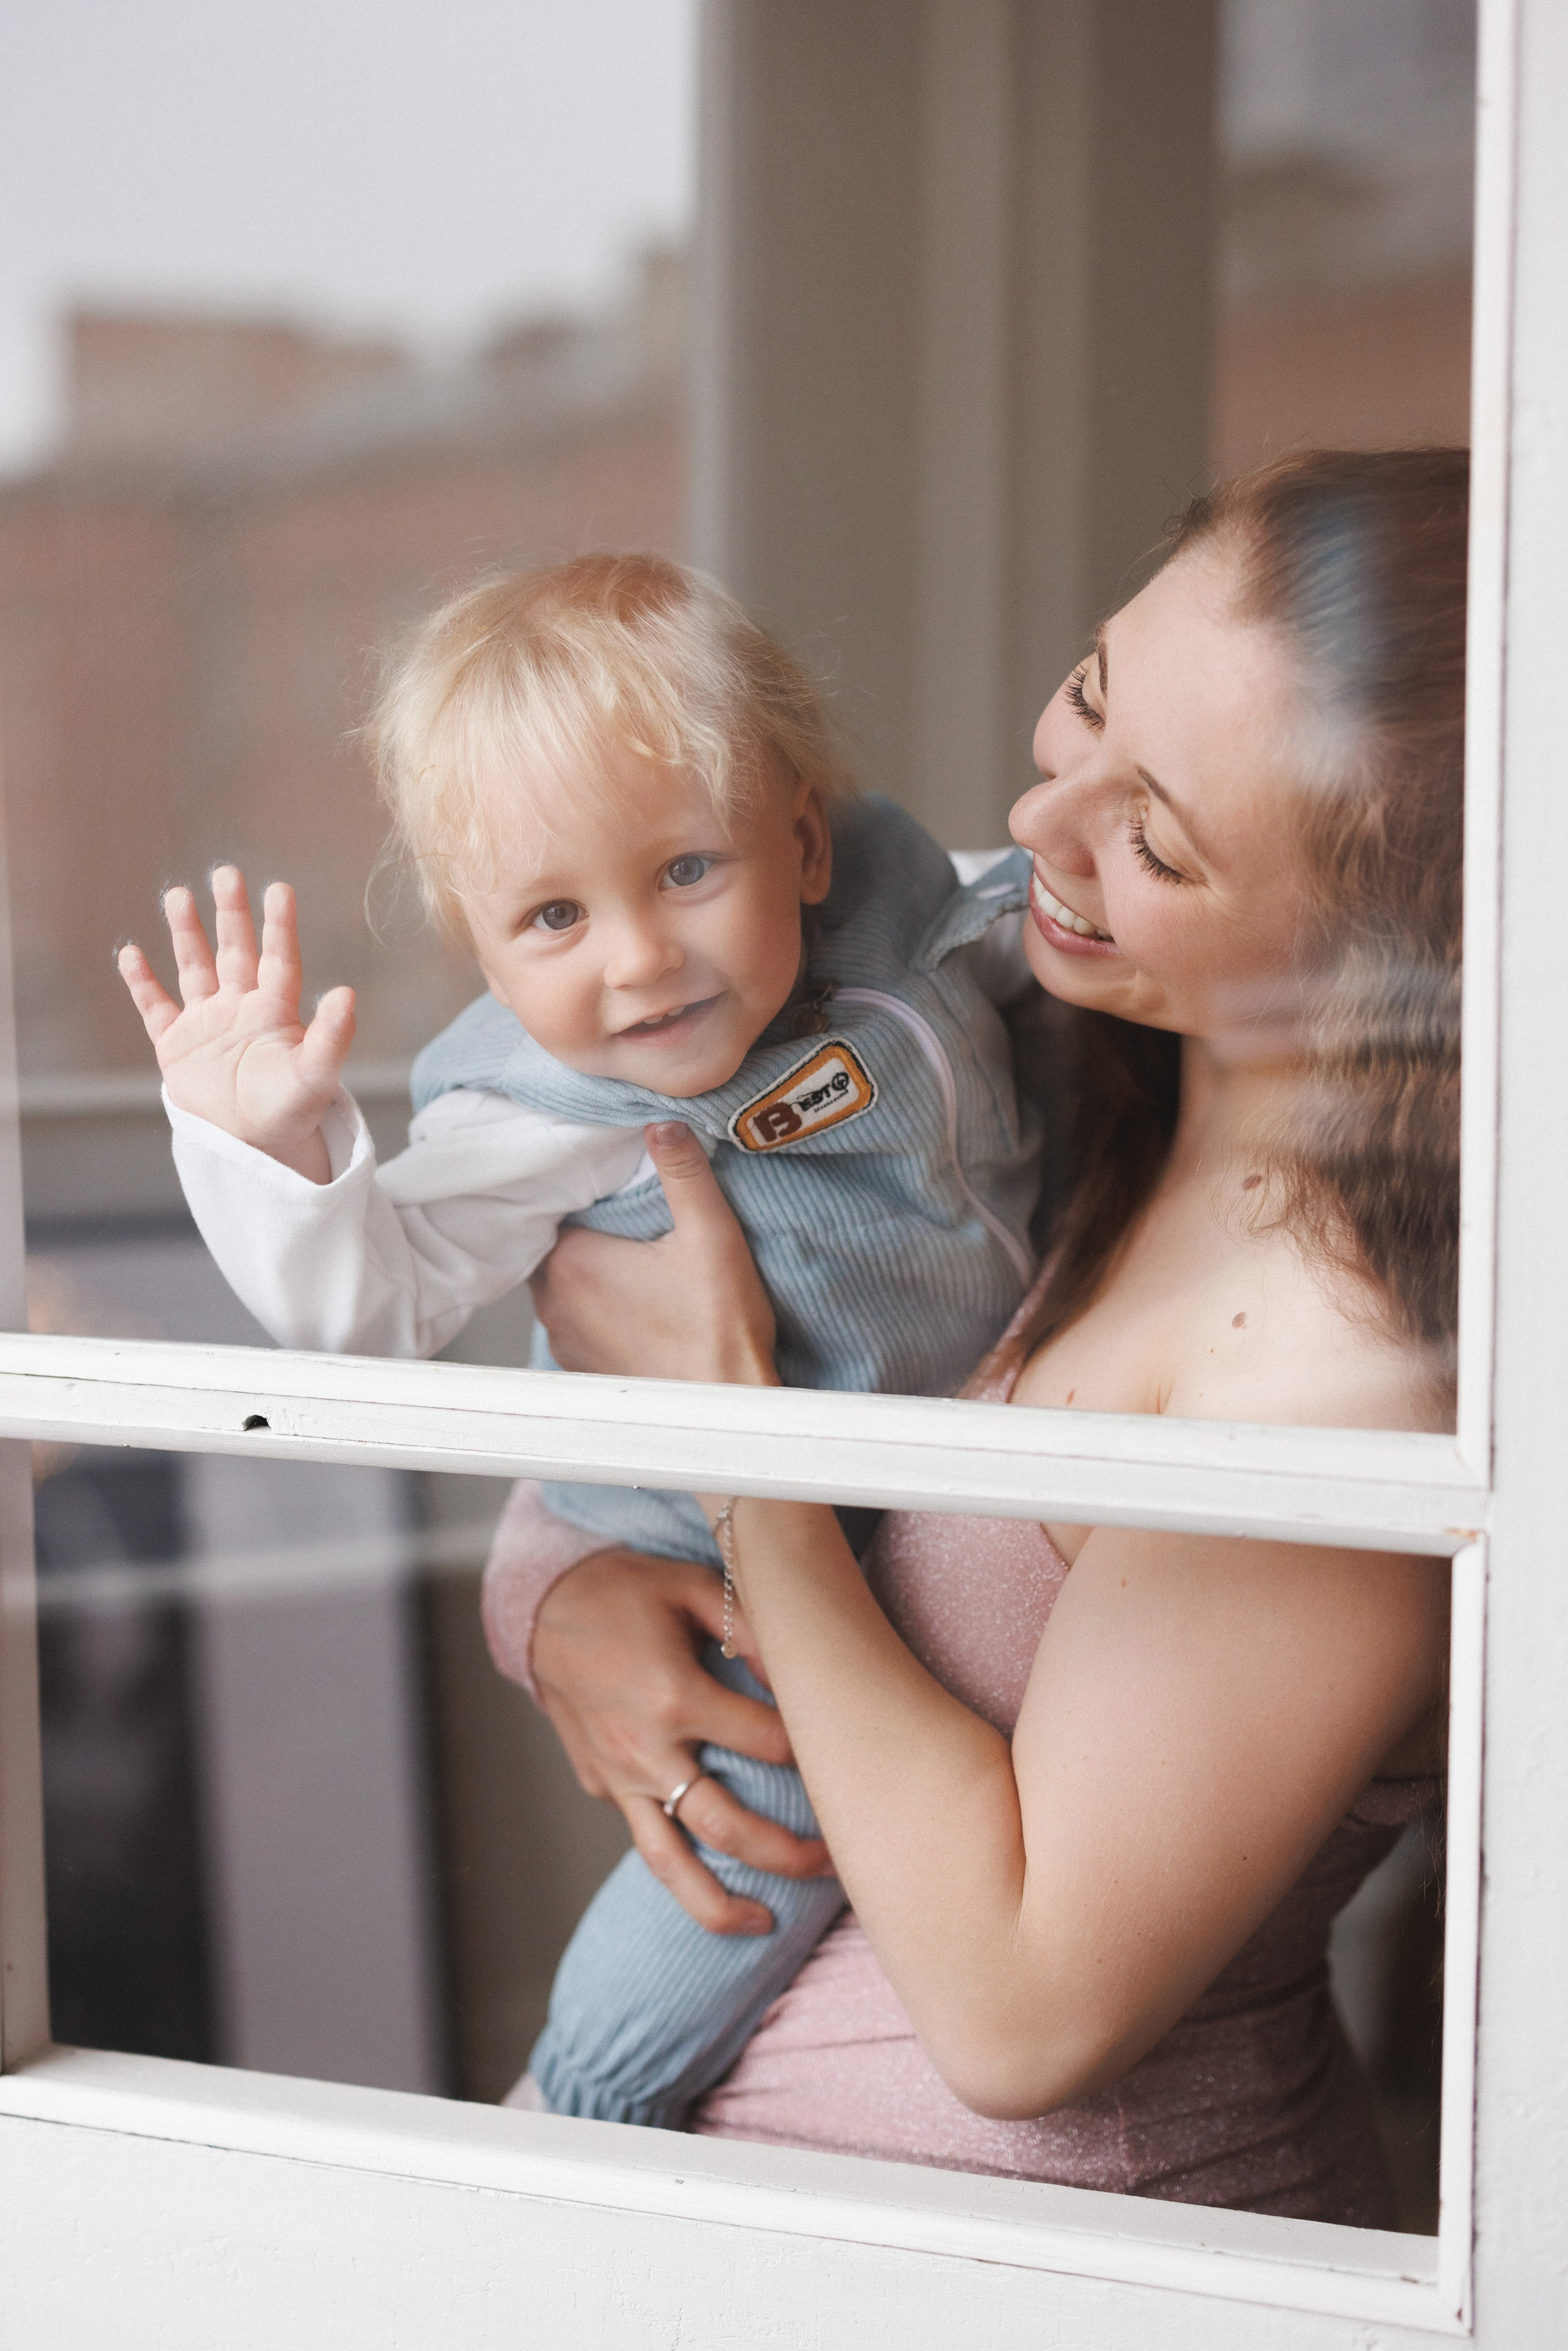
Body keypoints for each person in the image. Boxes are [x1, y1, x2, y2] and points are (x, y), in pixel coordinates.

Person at [487, 449, 1462, 2222]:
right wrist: (562, 1596)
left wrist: (739, 1457)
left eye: (1152, 836)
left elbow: (1022, 2009)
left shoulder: (1345, 1372)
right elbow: (743, 1345)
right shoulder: (1058, 1082)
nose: (1040, 820)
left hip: (1056, 2266)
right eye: (1088, 697)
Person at [115, 553, 1047, 2127]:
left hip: (929, 1470)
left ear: (804, 839)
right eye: (551, 914)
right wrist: (268, 1148)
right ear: (481, 947)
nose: (635, 958)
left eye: (687, 869)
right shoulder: (540, 1111)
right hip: (718, 1565)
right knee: (746, 1853)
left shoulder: (908, 911)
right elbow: (373, 1303)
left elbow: (1010, 947)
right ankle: (575, 2103)